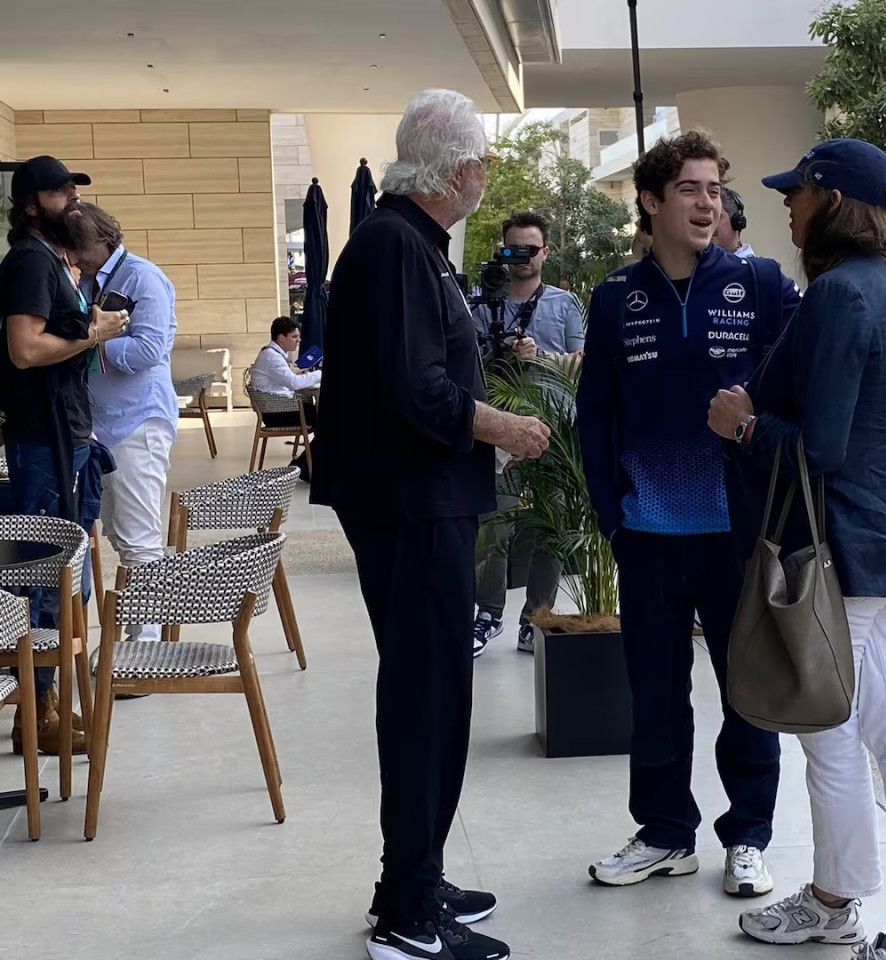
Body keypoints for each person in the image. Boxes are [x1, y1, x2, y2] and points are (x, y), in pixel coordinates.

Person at [310, 88, 549, 960]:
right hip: (411, 504)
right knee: (425, 698)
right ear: (455, 172)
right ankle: (407, 916)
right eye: (482, 157)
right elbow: (416, 390)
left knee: (437, 691)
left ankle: (416, 875)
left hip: (422, 501)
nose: (488, 170)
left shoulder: (409, 243)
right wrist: (505, 427)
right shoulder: (395, 245)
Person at [711, 139, 886, 960]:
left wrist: (744, 423)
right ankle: (876, 917)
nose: (787, 203)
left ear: (832, 200)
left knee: (843, 733)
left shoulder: (840, 295)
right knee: (885, 736)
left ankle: (862, 914)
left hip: (842, 542)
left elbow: (822, 446)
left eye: (800, 191)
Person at [577, 131, 798, 897]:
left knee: (748, 693)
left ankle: (749, 836)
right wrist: (612, 514)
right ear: (650, 201)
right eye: (690, 190)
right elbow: (594, 413)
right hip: (646, 533)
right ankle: (666, 833)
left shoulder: (761, 285)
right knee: (655, 692)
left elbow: (792, 399)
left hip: (737, 534)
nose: (707, 204)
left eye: (714, 190)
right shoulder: (614, 299)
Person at [0, 156, 128, 756]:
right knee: (44, 580)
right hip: (44, 439)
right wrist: (95, 333)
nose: (71, 198)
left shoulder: (50, 260)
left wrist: (89, 325)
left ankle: (48, 703)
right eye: (58, 191)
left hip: (66, 436)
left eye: (73, 188)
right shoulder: (29, 259)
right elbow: (24, 349)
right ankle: (39, 712)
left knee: (64, 575)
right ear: (30, 204)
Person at [471, 211, 584, 656]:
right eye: (512, 250)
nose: (521, 258)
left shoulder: (565, 304)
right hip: (499, 427)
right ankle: (488, 614)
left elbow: (581, 361)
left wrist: (541, 357)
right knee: (492, 524)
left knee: (550, 527)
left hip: (556, 426)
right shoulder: (481, 305)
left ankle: (537, 617)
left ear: (545, 253)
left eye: (530, 250)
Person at [69, 203, 178, 645]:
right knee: (116, 531)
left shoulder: (142, 277)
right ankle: (135, 632)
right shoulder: (85, 280)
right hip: (100, 425)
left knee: (138, 533)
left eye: (78, 248)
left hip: (137, 422)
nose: (73, 257)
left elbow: (149, 351)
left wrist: (89, 344)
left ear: (103, 238)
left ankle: (146, 640)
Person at [249, 316, 320, 477]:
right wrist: (319, 374)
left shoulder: (272, 354)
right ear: (281, 338)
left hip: (278, 409)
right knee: (328, 420)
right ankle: (306, 467)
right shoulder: (272, 357)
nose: (299, 340)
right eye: (294, 337)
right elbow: (293, 383)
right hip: (278, 413)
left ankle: (306, 466)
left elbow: (286, 378)